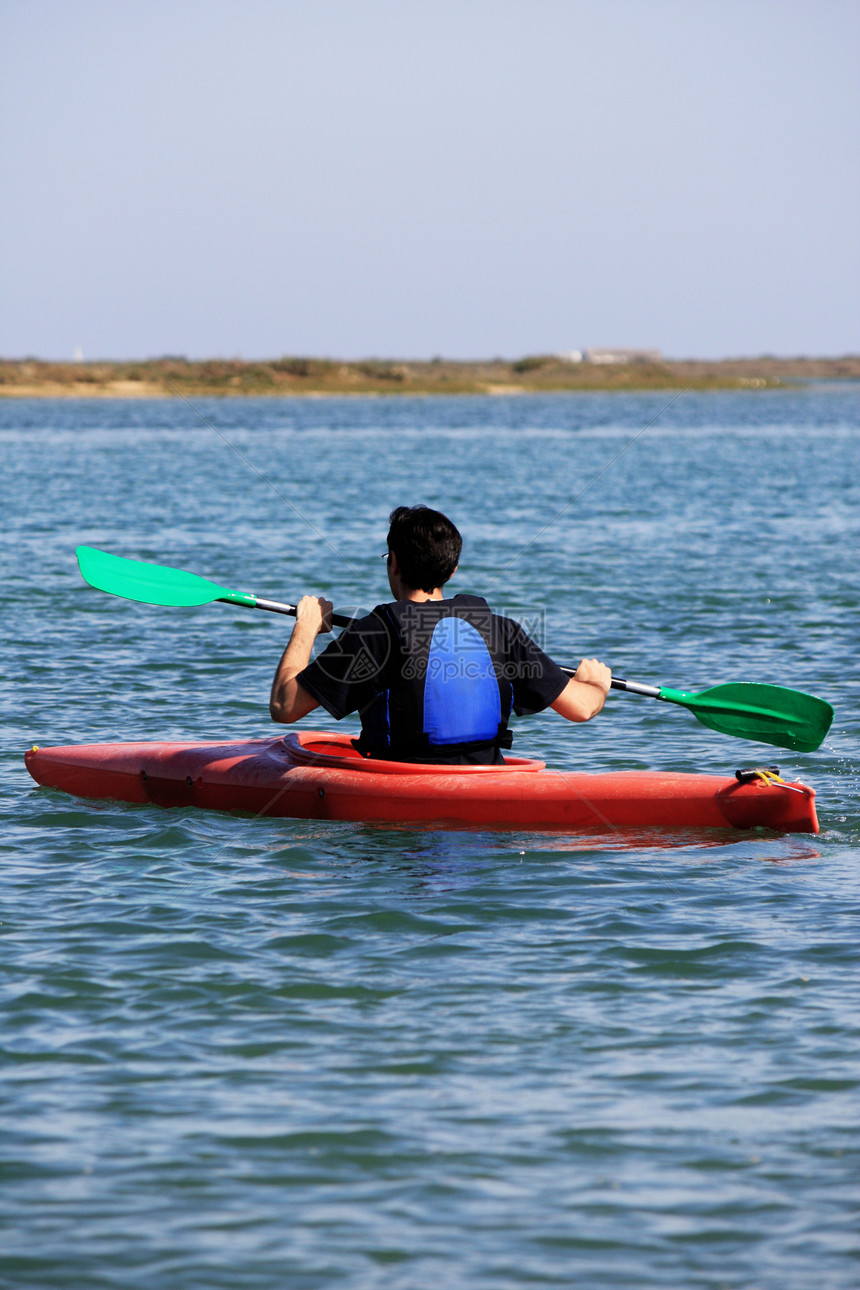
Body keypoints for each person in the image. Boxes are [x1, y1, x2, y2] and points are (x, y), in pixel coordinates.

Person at [269, 505, 611, 764]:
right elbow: (582, 708)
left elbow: (285, 707)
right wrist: (595, 683)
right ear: (452, 569)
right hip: (486, 796)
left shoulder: (373, 632)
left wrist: (306, 627)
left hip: (401, 793)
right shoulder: (503, 630)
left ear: (395, 564)